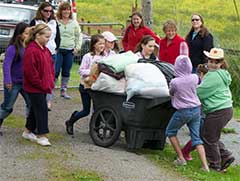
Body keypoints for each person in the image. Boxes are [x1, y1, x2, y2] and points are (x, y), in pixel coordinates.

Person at [165, 55, 209, 171]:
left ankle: (181, 158)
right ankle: (205, 166)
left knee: (170, 131)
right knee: (196, 138)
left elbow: (171, 93)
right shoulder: (194, 77)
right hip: (196, 109)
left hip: (183, 111)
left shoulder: (175, 82)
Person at [197, 48, 235, 172]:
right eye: (210, 61)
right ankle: (225, 156)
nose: (212, 64)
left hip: (218, 110)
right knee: (209, 135)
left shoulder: (213, 76)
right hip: (225, 109)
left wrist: (189, 92)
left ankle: (215, 165)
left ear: (221, 63)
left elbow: (201, 92)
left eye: (216, 62)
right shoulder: (222, 73)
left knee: (208, 137)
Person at [65, 34, 105, 135]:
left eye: (103, 44)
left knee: (97, 110)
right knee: (86, 111)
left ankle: (94, 130)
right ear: (94, 45)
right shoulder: (88, 56)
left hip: (98, 87)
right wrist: (93, 71)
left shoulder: (105, 57)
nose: (102, 46)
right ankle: (71, 121)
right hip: (85, 87)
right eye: (100, 43)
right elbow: (81, 71)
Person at [23, 24, 55, 146]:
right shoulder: (31, 50)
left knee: (35, 109)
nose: (48, 39)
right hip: (34, 87)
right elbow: (30, 72)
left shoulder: (45, 50)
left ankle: (27, 131)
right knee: (42, 109)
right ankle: (42, 135)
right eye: (46, 37)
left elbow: (50, 66)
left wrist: (50, 80)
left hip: (43, 86)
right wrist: (41, 84)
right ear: (38, 35)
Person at [0, 23, 31, 136]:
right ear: (19, 35)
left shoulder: (29, 47)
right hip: (13, 83)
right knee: (7, 107)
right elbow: (6, 65)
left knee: (31, 104)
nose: (29, 35)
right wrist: (8, 80)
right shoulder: (12, 48)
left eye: (29, 33)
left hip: (26, 82)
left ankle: (30, 127)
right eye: (26, 33)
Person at [30, 2, 61, 110]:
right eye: (46, 11)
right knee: (39, 76)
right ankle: (40, 98)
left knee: (51, 77)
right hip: (39, 53)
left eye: (50, 11)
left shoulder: (54, 22)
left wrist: (56, 48)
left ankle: (48, 100)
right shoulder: (35, 21)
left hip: (51, 53)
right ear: (41, 11)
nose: (48, 13)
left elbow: (58, 37)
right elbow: (30, 37)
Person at [181, 63, 208, 161]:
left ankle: (185, 151)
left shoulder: (204, 83)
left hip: (202, 112)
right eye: (206, 75)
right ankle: (184, 152)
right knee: (199, 135)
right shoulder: (197, 83)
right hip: (198, 112)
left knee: (199, 135)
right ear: (201, 73)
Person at [55, 2, 82, 99]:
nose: (66, 11)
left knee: (66, 72)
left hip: (69, 51)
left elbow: (79, 36)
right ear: (60, 11)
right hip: (58, 50)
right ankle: (50, 91)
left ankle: (63, 91)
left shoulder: (74, 23)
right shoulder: (56, 22)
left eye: (68, 9)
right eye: (64, 9)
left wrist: (77, 47)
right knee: (55, 71)